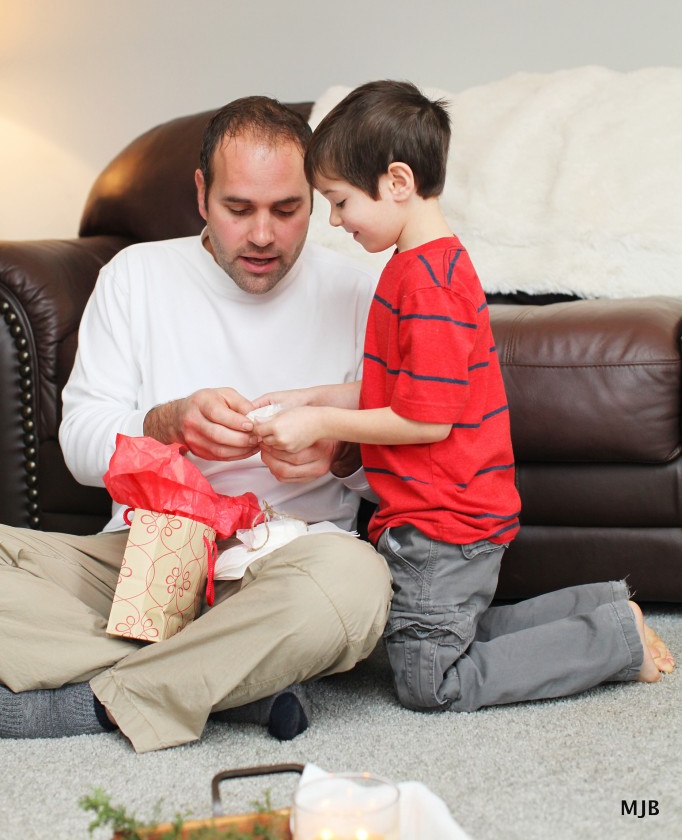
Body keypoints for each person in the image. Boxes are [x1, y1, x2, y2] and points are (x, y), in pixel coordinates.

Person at [251, 79, 675, 716]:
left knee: (429, 679)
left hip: (442, 525)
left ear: (397, 182)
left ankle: (610, 641)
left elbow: (425, 420)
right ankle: (600, 610)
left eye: (339, 202)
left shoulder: (428, 284)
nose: (334, 220)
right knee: (430, 639)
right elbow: (407, 386)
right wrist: (310, 397)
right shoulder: (416, 266)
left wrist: (320, 419)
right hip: (438, 516)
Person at [0, 96, 392, 753]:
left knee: (356, 588)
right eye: (239, 209)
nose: (263, 235)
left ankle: (97, 701)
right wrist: (165, 422)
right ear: (202, 193)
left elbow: (408, 477)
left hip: (291, 561)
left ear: (316, 199)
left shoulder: (361, 293)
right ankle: (238, 682)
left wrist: (341, 454)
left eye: (287, 210)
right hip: (141, 558)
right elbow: (79, 446)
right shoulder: (135, 277)